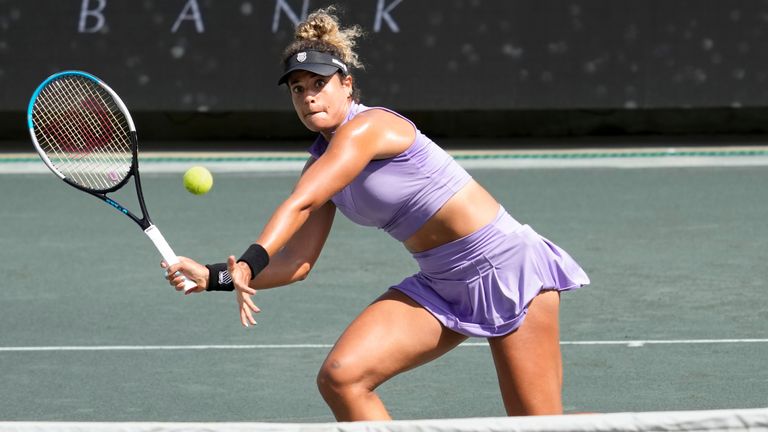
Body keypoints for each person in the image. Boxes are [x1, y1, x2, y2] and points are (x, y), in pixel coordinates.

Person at [163, 7, 589, 421]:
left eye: (319, 83)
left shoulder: (369, 128)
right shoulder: (320, 164)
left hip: (505, 268)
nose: (309, 95)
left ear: (347, 85)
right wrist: (216, 275)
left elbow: (302, 203)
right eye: (297, 88)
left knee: (540, 424)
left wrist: (251, 261)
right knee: (341, 378)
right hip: (440, 283)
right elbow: (296, 263)